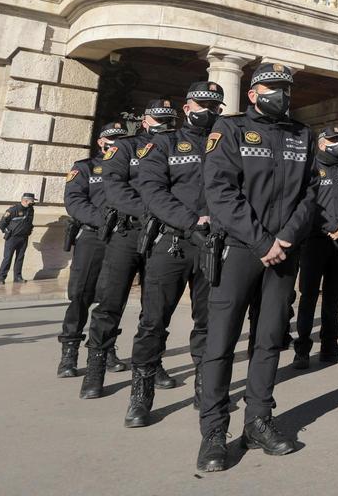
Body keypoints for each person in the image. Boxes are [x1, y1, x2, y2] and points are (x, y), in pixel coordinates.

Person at [197, 63, 317, 472]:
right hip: (240, 248)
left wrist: (286, 237)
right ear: (252, 92)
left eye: (286, 88)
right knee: (221, 342)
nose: (281, 94)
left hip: (284, 250)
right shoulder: (228, 131)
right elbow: (220, 192)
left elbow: (311, 193)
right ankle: (214, 432)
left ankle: (258, 421)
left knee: (268, 340)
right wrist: (262, 241)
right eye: (273, 87)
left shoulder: (303, 135)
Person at [124, 82, 223, 427]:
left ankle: (203, 387)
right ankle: (141, 393)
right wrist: (190, 220)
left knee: (209, 322)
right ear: (187, 107)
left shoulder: (226, 144)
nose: (208, 111)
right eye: (202, 104)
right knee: (153, 321)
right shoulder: (163, 143)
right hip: (173, 242)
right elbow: (151, 191)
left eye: (215, 106)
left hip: (213, 243)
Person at [81, 100, 177, 400]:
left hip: (161, 233)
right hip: (128, 231)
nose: (163, 124)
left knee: (156, 307)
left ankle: (151, 362)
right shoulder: (124, 147)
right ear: (145, 120)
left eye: (168, 120)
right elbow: (114, 188)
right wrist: (150, 210)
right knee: (110, 303)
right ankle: (95, 367)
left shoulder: (177, 147)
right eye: (157, 119)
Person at [58, 121, 129, 378]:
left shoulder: (128, 167)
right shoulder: (85, 167)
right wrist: (103, 220)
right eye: (113, 138)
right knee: (81, 296)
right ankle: (69, 352)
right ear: (101, 141)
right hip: (92, 237)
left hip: (120, 239)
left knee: (113, 297)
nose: (117, 143)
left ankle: (104, 349)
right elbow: (74, 201)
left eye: (122, 138)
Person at [292, 127, 338, 370]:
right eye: (331, 140)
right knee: (308, 297)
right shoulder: (309, 168)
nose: (336, 144)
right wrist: (330, 226)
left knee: (333, 298)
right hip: (314, 240)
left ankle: (330, 347)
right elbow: (307, 204)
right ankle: (303, 350)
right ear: (320, 143)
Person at [0, 192, 35, 284]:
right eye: (32, 201)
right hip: (12, 238)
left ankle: (17, 277)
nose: (33, 202)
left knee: (20, 258)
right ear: (25, 201)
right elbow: (1, 223)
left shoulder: (31, 210)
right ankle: (1, 278)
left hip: (24, 238)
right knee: (7, 258)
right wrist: (7, 231)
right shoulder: (13, 210)